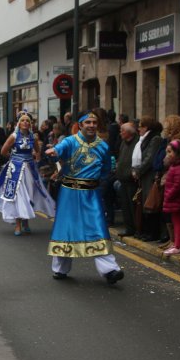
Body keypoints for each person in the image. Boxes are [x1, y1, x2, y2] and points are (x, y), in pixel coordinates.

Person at [45, 112, 124, 283]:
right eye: (87, 122)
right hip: (70, 193)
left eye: (94, 122)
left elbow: (105, 169)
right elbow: (59, 150)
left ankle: (110, 270)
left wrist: (95, 180)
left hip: (91, 193)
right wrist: (54, 152)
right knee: (66, 229)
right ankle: (60, 269)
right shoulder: (70, 141)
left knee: (98, 228)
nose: (91, 125)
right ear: (80, 125)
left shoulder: (102, 146)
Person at [0, 111, 55, 235]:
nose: (25, 122)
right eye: (23, 120)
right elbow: (3, 151)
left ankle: (25, 222)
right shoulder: (14, 136)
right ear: (19, 123)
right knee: (18, 196)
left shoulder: (33, 137)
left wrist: (36, 159)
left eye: (28, 121)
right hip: (16, 169)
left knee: (29, 195)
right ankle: (18, 224)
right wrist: (13, 158)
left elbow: (37, 151)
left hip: (29, 170)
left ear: (30, 124)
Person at [161, 140, 180, 256]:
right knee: (175, 222)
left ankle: (178, 246)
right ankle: (176, 243)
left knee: (177, 223)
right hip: (173, 198)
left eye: (170, 152)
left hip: (175, 199)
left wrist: (168, 196)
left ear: (177, 152)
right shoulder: (175, 166)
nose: (167, 155)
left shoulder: (178, 167)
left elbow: (177, 185)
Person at [116, 122, 139, 237]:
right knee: (125, 205)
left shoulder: (137, 142)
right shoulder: (123, 143)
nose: (120, 133)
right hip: (122, 178)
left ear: (129, 132)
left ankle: (136, 228)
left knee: (132, 206)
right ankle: (129, 228)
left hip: (131, 179)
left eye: (122, 131)